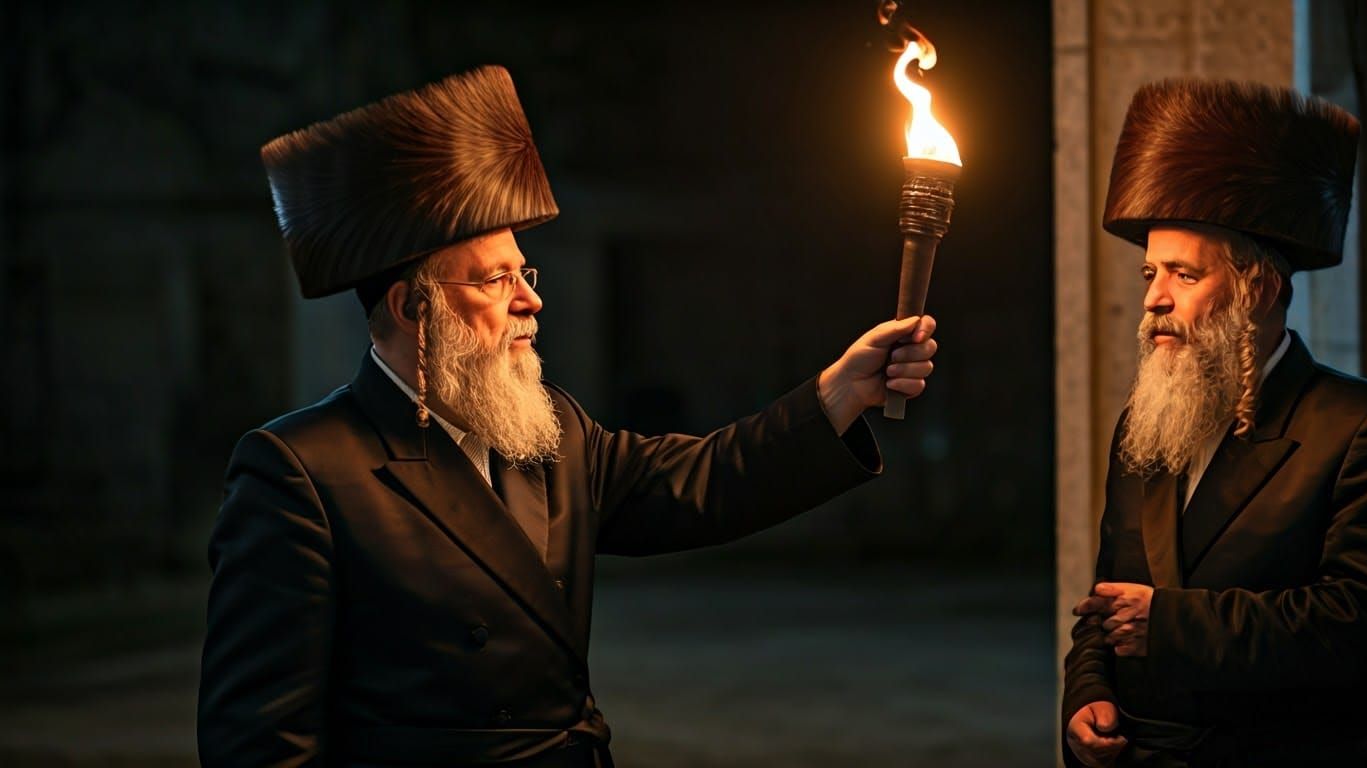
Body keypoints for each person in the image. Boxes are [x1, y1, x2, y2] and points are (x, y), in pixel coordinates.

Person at [197, 66, 938, 767]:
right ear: (411, 308)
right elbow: (260, 746)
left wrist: (838, 395)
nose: (532, 300)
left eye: (528, 272)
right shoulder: (298, 472)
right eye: (498, 279)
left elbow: (705, 482)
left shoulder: (548, 430)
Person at [1062, 78, 1367, 767]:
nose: (1156, 298)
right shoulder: (1145, 423)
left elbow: (1364, 621)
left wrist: (1172, 625)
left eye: (1184, 276)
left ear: (1261, 289)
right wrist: (1086, 696)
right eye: (1149, 274)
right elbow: (1108, 608)